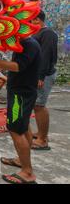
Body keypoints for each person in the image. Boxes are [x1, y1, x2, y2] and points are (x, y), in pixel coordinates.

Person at [0, 35, 41, 184]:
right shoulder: (24, 42)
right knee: (24, 126)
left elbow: (17, 66)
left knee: (15, 129)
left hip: (21, 94)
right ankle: (22, 161)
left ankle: (27, 172)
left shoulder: (29, 44)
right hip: (20, 92)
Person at [31, 11, 58, 151]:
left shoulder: (47, 34)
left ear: (37, 20)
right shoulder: (38, 33)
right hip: (37, 74)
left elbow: (46, 56)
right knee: (37, 105)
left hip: (44, 75)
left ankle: (43, 139)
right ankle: (40, 133)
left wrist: (40, 76)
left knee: (40, 106)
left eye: (31, 20)